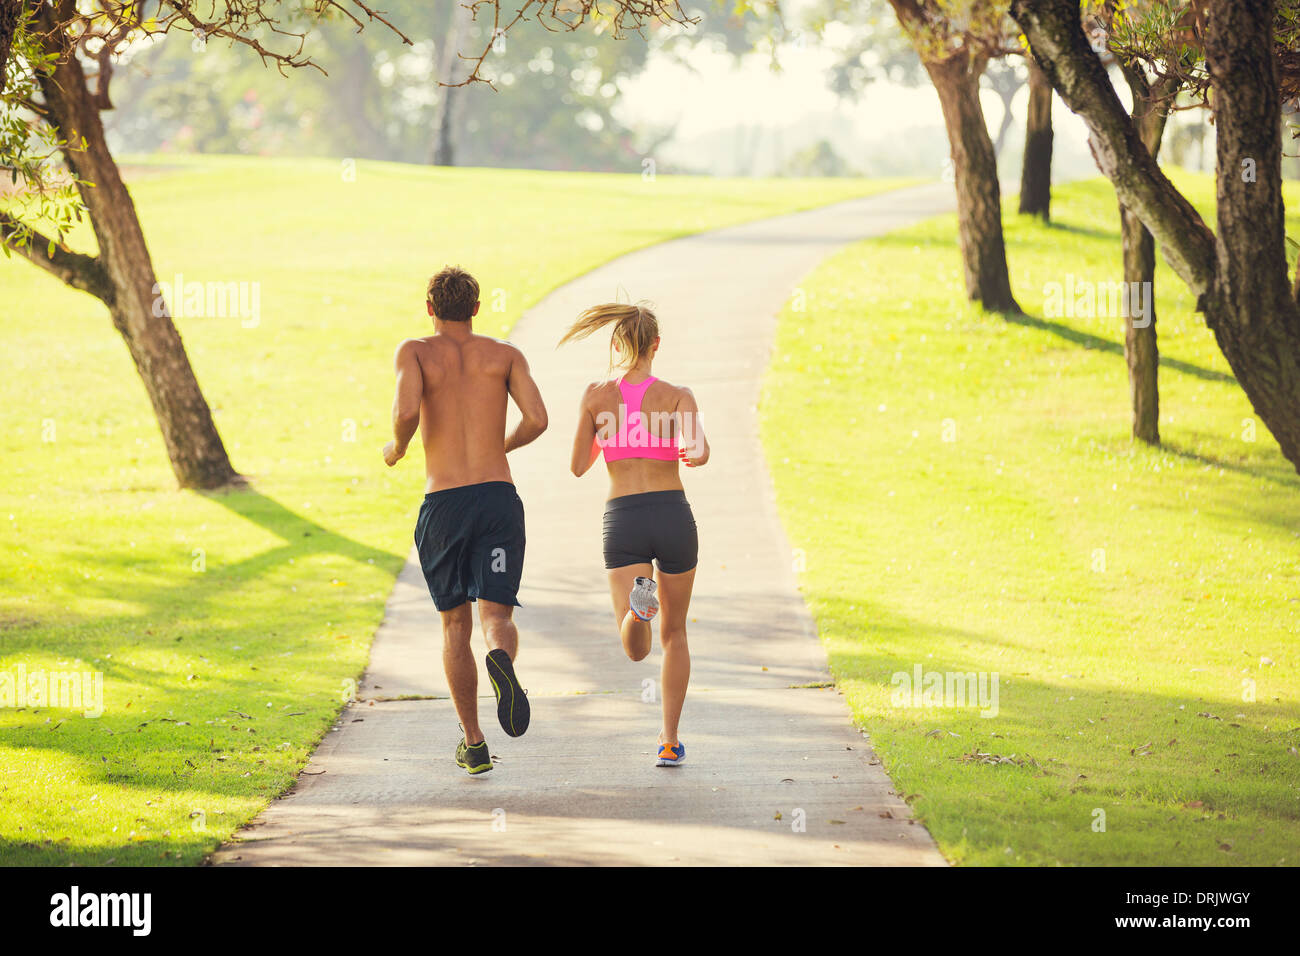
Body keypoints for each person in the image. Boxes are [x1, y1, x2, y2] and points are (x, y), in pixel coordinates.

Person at [383, 265, 548, 775]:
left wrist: (398, 447)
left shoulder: (414, 350)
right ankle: (502, 658)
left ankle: (474, 743)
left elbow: (407, 411)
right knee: (496, 616)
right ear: (476, 308)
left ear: (429, 308)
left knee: (455, 623)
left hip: (446, 503)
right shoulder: (505, 355)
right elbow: (538, 419)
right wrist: (499, 447)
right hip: (498, 497)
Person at [560, 302, 709, 766]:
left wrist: (607, 434)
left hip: (623, 516)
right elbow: (700, 452)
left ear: (618, 345)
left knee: (635, 648)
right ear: (657, 345)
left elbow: (578, 466)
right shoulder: (678, 395)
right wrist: (687, 450)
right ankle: (669, 739)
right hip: (672, 514)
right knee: (677, 635)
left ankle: (638, 612)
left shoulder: (595, 395)